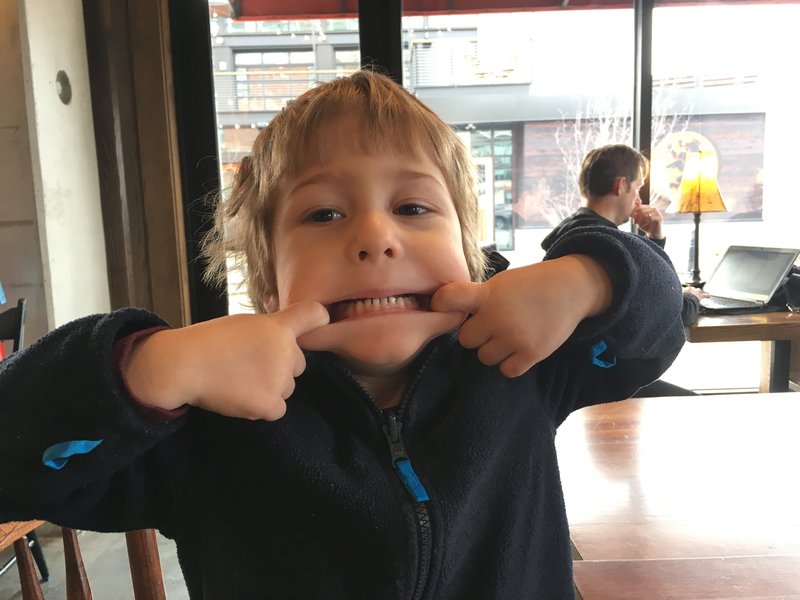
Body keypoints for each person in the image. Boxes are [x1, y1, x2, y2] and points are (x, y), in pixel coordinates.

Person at [0, 71, 686, 599]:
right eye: (323, 214)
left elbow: (661, 328)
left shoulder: (516, 363)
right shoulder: (211, 425)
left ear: (470, 255)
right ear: (268, 285)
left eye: (413, 206)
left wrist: (593, 278)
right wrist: (148, 369)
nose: (375, 237)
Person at [541, 144, 703, 397]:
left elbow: (641, 293)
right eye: (637, 188)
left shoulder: (574, 233)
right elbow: (658, 315)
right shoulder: (605, 245)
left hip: (574, 375)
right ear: (621, 185)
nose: (638, 199)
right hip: (597, 383)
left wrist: (654, 239)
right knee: (696, 405)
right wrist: (692, 300)